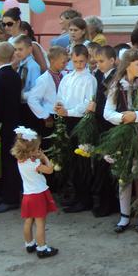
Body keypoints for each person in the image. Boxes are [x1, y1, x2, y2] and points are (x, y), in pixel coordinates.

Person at [104, 49, 138, 232]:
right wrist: (121, 118)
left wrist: (136, 116)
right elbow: (107, 112)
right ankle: (124, 215)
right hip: (123, 134)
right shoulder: (116, 85)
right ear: (127, 65)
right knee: (124, 175)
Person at [54, 45, 97, 213]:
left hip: (81, 121)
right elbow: (61, 96)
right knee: (72, 161)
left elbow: (88, 102)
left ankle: (85, 198)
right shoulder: (67, 77)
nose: (78, 65)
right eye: (75, 61)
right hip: (67, 120)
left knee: (82, 161)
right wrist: (59, 107)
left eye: (81, 61)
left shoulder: (89, 79)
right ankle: (77, 194)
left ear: (87, 60)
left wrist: (69, 111)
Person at [11, 126, 58, 258]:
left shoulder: (21, 160)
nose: (39, 150)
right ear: (31, 150)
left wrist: (36, 156)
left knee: (28, 221)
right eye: (37, 148)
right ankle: (42, 248)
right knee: (40, 223)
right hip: (38, 195)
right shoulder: (34, 164)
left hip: (27, 195)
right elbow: (50, 170)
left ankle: (29, 244)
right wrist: (44, 157)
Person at [0, 42, 22, 214]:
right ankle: (5, 195)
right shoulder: (15, 76)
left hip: (4, 126)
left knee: (8, 163)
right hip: (14, 124)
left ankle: (10, 199)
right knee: (10, 161)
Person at [90, 45, 118, 218]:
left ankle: (109, 203)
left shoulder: (115, 78)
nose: (98, 64)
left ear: (112, 60)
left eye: (101, 61)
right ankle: (104, 201)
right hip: (100, 125)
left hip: (109, 126)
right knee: (101, 165)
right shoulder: (100, 75)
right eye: (97, 61)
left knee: (108, 166)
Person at [28, 46, 68, 135]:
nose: (65, 64)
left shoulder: (65, 75)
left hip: (64, 114)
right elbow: (32, 99)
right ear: (52, 61)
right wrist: (45, 116)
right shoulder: (43, 79)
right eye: (63, 62)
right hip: (51, 116)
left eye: (67, 62)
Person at [14, 35, 42, 132]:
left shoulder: (33, 66)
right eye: (15, 49)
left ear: (30, 49)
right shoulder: (19, 65)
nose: (17, 52)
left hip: (29, 106)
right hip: (20, 105)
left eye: (20, 49)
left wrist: (21, 95)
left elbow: (36, 90)